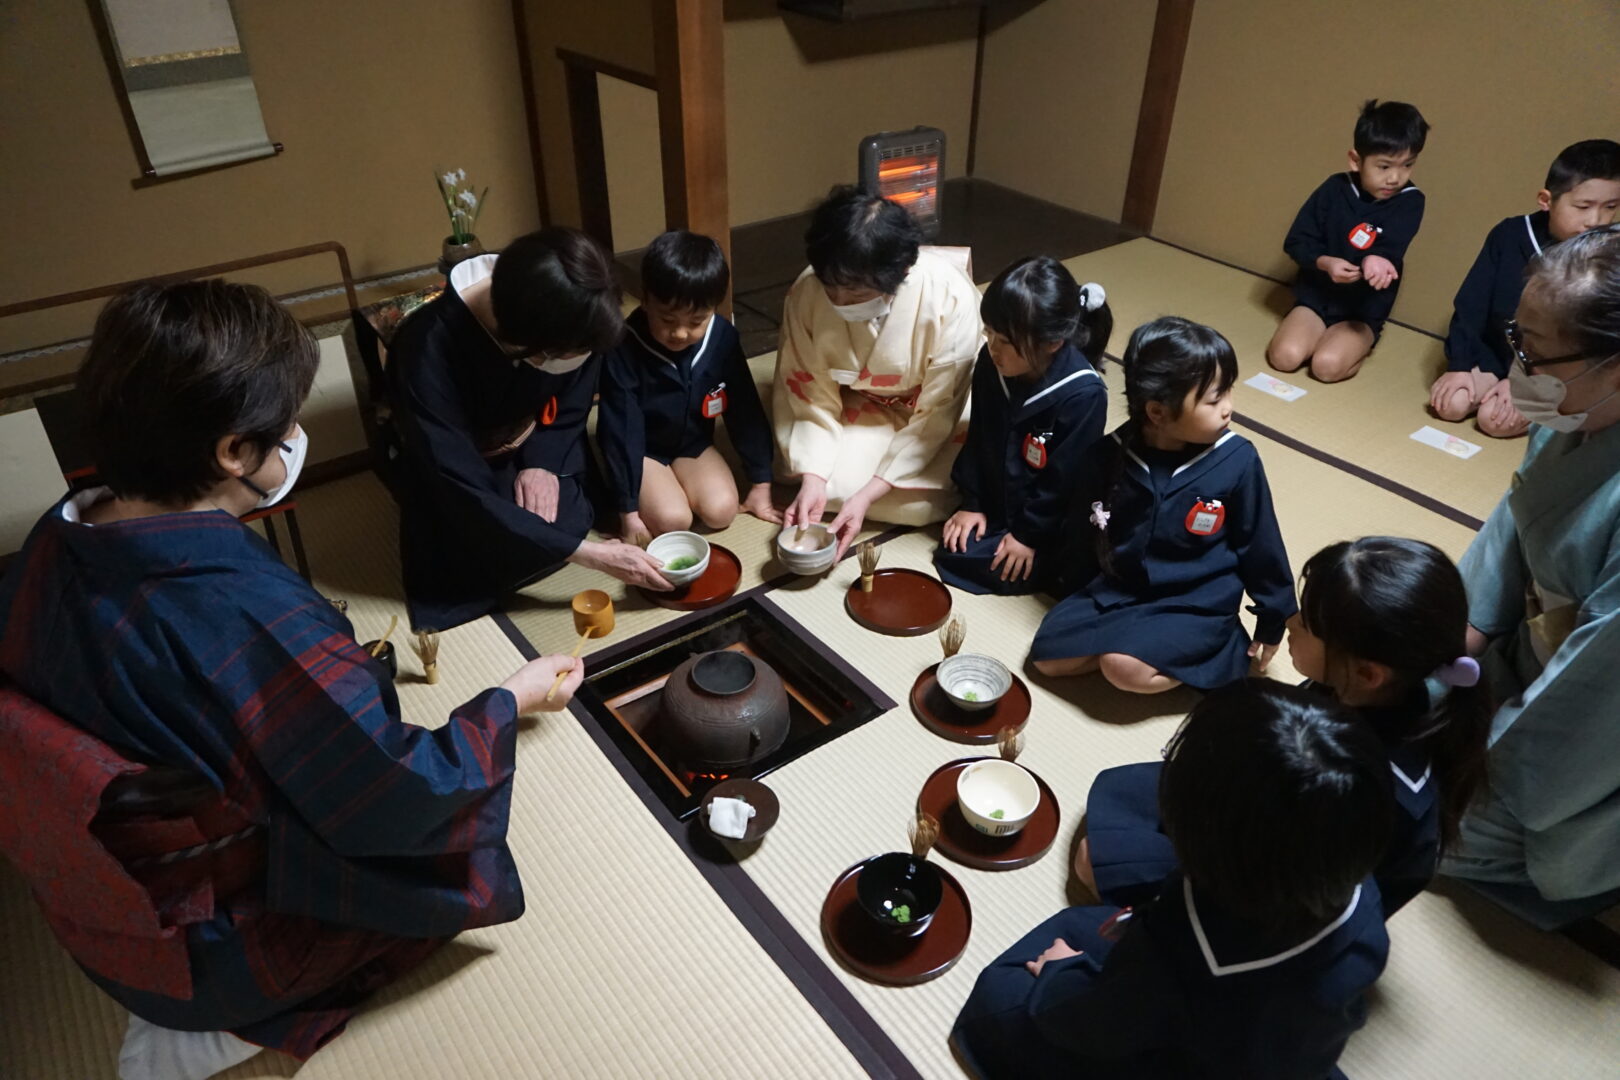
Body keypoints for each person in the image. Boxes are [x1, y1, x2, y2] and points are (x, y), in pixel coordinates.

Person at [0, 281, 585, 1080]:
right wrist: (506, 701)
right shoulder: (243, 617)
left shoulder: (54, 538)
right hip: (216, 953)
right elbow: (394, 794)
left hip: (105, 914)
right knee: (452, 867)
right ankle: (234, 1029)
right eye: (284, 428)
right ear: (233, 453)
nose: (297, 439)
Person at [951, 681, 1395, 1080]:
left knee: (1004, 993)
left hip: (1178, 1048)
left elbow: (1098, 1022)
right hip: (1276, 1048)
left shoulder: (1182, 955)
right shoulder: (1361, 896)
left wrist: (1061, 971)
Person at [1082, 537, 1492, 919]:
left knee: (1091, 859)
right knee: (1122, 795)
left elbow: (1288, 890)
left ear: (1368, 673)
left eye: (1308, 625)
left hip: (1281, 894)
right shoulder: (1352, 688)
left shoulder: (1381, 790)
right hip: (1269, 813)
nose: (1290, 622)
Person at [1441, 224, 1620, 908]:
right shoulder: (1575, 405)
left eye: (1534, 354)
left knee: (1422, 825)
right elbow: (1512, 532)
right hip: (1534, 653)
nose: (1518, 369)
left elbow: (1596, 690)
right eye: (1517, 341)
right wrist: (1445, 637)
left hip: (1591, 729)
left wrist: (1484, 773)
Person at [388, 227, 669, 633]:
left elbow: (574, 391)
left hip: (537, 436)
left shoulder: (572, 307)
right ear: (525, 340)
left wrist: (544, 461)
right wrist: (590, 554)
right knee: (498, 547)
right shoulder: (425, 348)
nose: (579, 357)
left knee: (563, 518)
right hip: (463, 467)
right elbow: (451, 472)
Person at [1030, 317, 1296, 694]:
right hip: (1122, 590)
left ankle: (1220, 650)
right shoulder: (1111, 453)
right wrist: (1072, 587)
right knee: (1047, 659)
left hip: (1195, 600)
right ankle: (1141, 644)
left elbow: (1262, 545)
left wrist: (1274, 617)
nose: (1228, 409)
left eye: (1227, 393)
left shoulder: (1237, 459)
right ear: (1157, 412)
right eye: (1213, 399)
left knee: (1122, 669)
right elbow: (1081, 529)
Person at [773, 187, 983, 557]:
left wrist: (869, 493)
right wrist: (814, 476)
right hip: (859, 400)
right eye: (830, 289)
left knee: (917, 503)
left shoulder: (950, 297)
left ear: (899, 273)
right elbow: (808, 389)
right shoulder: (807, 290)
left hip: (934, 412)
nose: (837, 303)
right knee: (816, 483)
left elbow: (940, 408)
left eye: (854, 296)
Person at [935, 258, 1112, 595]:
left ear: (1052, 342)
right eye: (989, 333)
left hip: (1047, 521)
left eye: (1006, 340)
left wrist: (1027, 537)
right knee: (953, 547)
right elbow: (980, 437)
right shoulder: (991, 364)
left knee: (1053, 570)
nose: (993, 348)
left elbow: (1065, 483)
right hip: (998, 500)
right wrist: (973, 503)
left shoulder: (1083, 394)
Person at [597, 230, 778, 545]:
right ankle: (652, 492)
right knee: (673, 521)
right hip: (645, 451)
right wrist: (628, 513)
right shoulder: (623, 344)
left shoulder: (722, 337)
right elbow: (619, 430)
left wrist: (761, 483)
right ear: (646, 298)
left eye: (696, 321)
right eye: (667, 319)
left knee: (721, 512)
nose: (680, 333)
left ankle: (678, 483)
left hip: (693, 444)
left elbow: (745, 409)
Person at [1430, 139, 1620, 438]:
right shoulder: (1510, 234)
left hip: (1553, 371)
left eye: (1611, 207)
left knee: (1493, 422)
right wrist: (1460, 364)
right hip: (1495, 353)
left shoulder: (1604, 256)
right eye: (1583, 206)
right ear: (1546, 200)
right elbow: (1472, 303)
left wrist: (1524, 380)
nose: (1595, 221)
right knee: (1450, 405)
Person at [1267, 100, 1429, 384]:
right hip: (1316, 297)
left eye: (1408, 165)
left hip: (1361, 311)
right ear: (1356, 160)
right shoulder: (1334, 188)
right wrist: (1325, 262)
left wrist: (1377, 259)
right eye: (1384, 166)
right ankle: (1319, 334)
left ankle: (1355, 346)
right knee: (1284, 358)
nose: (1395, 178)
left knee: (1325, 367)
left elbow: (1391, 245)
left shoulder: (1411, 201)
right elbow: (1297, 240)